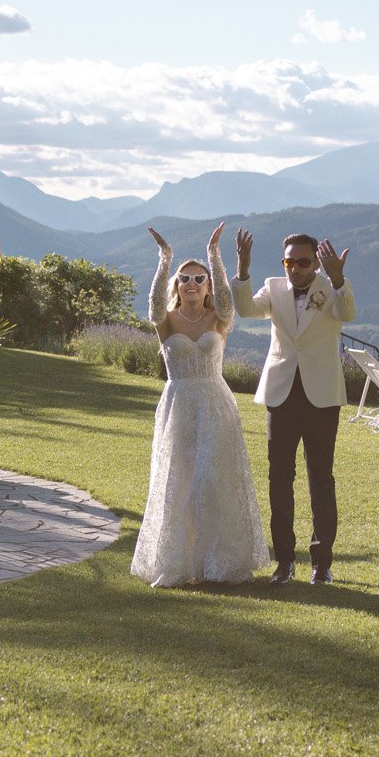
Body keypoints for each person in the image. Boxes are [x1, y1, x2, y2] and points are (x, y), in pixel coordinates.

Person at [129, 222, 272, 587]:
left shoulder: (218, 318)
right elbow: (153, 304)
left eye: (198, 279)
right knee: (179, 482)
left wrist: (215, 255)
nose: (191, 284)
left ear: (208, 287)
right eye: (185, 279)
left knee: (211, 480)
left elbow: (227, 299)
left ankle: (218, 561)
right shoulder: (166, 322)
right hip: (178, 404)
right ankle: (178, 563)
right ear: (177, 286)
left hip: (214, 404)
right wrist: (166, 260)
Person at [231, 229, 355, 585]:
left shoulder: (332, 286)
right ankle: (284, 563)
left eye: (302, 262)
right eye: (290, 262)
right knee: (279, 480)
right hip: (281, 397)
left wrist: (338, 278)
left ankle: (322, 563)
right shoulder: (273, 288)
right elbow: (244, 309)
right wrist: (242, 268)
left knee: (321, 481)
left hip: (322, 398)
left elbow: (348, 313)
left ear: (316, 261)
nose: (296, 268)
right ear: (282, 263)